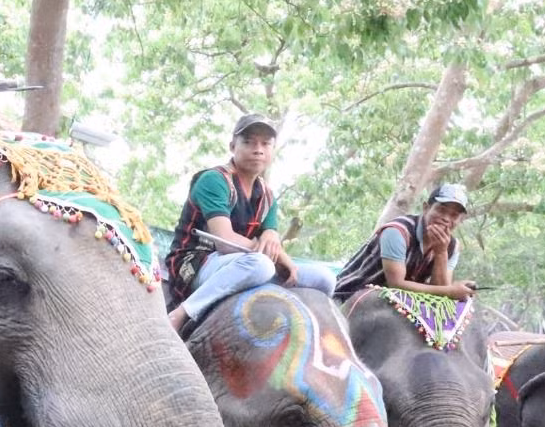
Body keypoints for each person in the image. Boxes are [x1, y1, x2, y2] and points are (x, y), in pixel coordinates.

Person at [163, 113, 336, 332]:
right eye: (249, 142)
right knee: (261, 265)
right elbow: (224, 241)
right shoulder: (214, 180)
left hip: (244, 265)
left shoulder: (267, 195)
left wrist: (272, 236)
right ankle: (182, 313)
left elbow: (270, 237)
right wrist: (281, 257)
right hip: (197, 263)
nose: (258, 149)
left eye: (265, 144)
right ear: (232, 146)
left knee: (325, 278)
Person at [333, 183, 478, 305]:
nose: (446, 219)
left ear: (460, 220)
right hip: (348, 298)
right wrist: (451, 291)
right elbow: (396, 284)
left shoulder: (452, 247)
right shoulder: (398, 232)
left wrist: (441, 253)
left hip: (388, 308)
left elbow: (440, 292)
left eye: (454, 215)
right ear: (426, 208)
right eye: (441, 210)